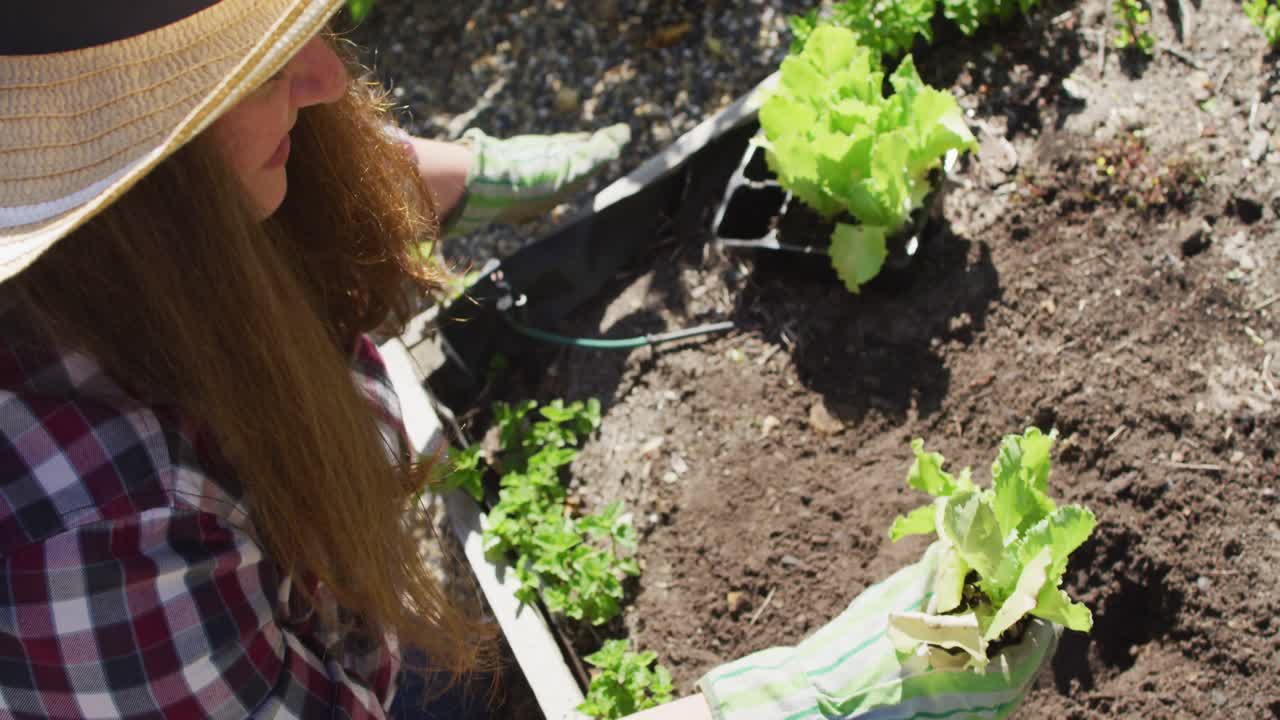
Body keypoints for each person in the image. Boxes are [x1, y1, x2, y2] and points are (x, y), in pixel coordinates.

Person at [0, 2, 1057, 719]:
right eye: (259, 69)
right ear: (131, 186)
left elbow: (306, 158)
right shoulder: (96, 543)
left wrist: (487, 177)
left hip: (324, 606)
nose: (324, 77)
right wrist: (818, 693)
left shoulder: (152, 230)